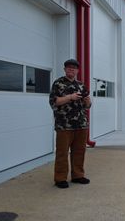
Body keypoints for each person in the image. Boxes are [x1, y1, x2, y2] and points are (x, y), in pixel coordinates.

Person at [49, 59, 92, 189]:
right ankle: (60, 178)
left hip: (81, 124)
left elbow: (88, 106)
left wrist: (87, 100)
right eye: (69, 68)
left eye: (74, 68)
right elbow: (54, 102)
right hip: (64, 125)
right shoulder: (58, 83)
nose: (71, 70)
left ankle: (78, 175)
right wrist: (70, 97)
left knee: (79, 151)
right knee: (62, 152)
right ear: (65, 69)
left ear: (77, 71)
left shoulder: (81, 85)